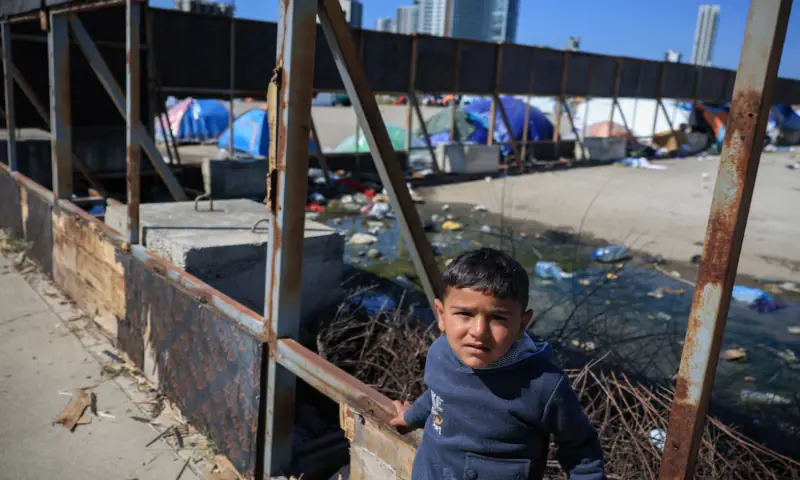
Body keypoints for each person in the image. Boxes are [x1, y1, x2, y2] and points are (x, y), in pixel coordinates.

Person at [390, 248, 606, 480]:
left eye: (498, 318)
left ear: (522, 325)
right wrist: (410, 417)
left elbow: (581, 448)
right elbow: (438, 396)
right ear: (441, 315)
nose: (479, 332)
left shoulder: (543, 385)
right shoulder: (441, 353)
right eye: (465, 313)